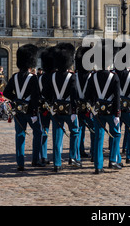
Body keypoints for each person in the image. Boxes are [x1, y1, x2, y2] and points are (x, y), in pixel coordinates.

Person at [3, 44, 43, 171]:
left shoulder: (14, 77)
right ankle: (35, 160)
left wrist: (16, 99)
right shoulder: (33, 78)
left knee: (20, 135)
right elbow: (36, 97)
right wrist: (34, 110)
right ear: (31, 64)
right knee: (38, 133)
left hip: (18, 110)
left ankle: (20, 162)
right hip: (31, 112)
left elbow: (6, 93)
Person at [85, 39, 122, 174]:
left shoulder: (92, 76)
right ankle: (113, 161)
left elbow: (87, 97)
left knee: (99, 138)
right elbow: (117, 97)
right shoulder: (114, 77)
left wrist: (93, 108)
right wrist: (117, 113)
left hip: (98, 112)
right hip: (112, 111)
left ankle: (98, 165)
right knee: (116, 135)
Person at [46, 43, 81, 172]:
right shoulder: (72, 77)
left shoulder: (52, 76)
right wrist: (74, 111)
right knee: (75, 133)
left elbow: (46, 92)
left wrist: (51, 104)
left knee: (57, 137)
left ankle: (57, 163)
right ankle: (72, 157)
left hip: (56, 109)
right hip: (69, 110)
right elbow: (74, 94)